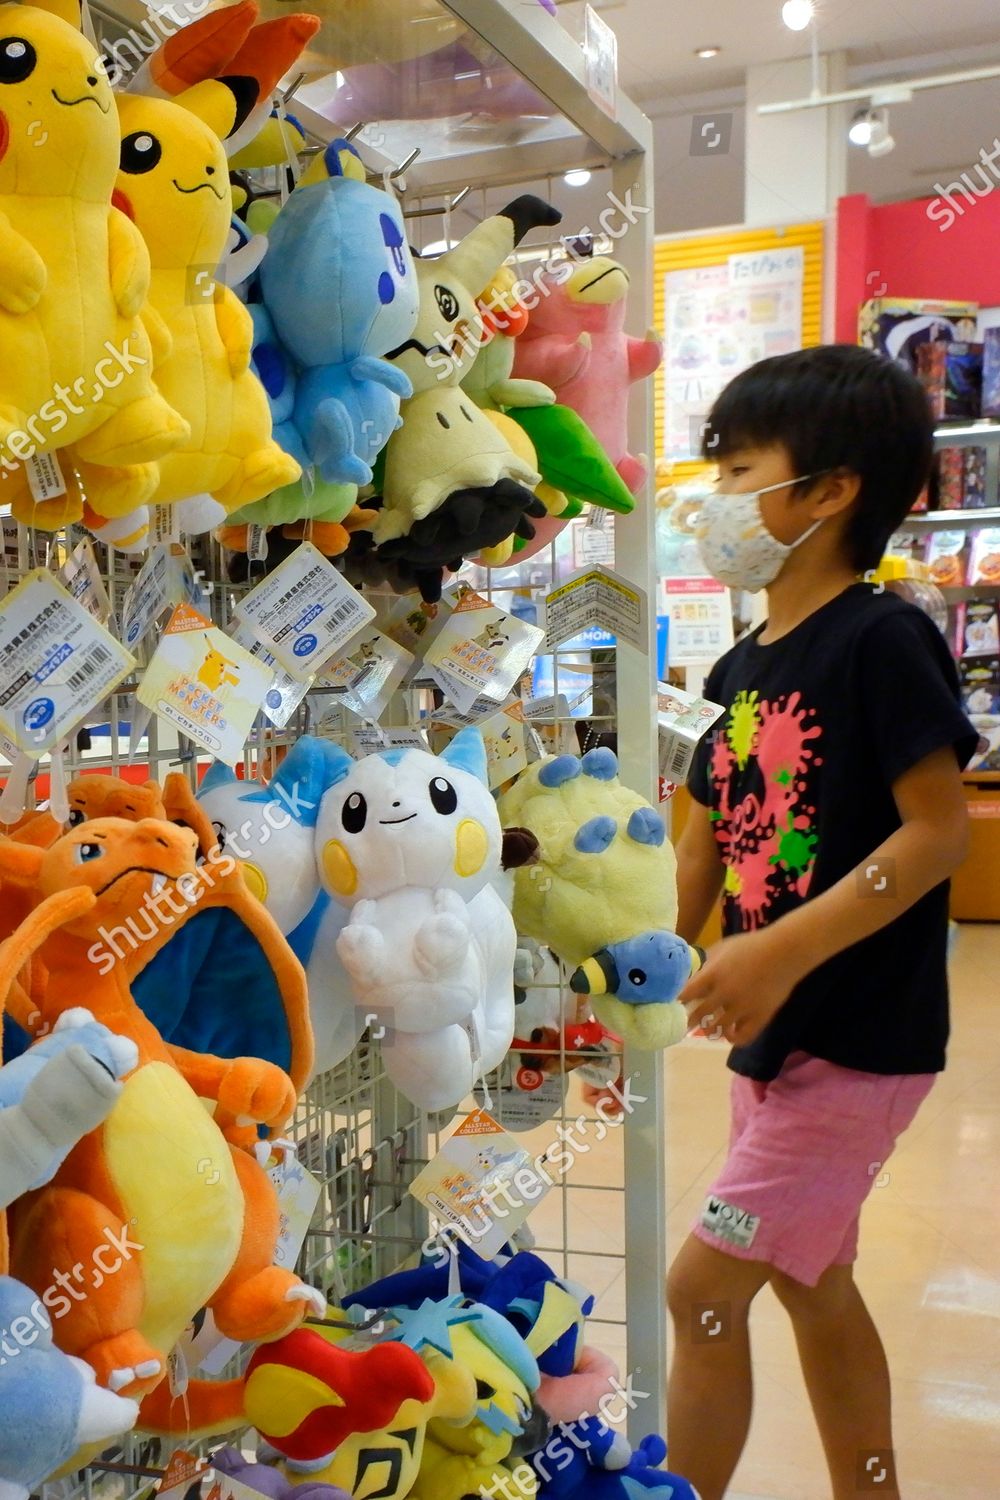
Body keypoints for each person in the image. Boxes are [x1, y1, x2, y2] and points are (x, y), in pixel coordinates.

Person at [666, 345, 979, 1500]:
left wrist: (777, 951)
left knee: (701, 1291)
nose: (716, 502)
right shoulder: (745, 663)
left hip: (855, 1036)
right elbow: (701, 829)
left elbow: (938, 833)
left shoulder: (881, 639)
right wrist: (644, 960)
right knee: (811, 1281)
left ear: (830, 489)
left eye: (739, 468)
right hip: (778, 1038)